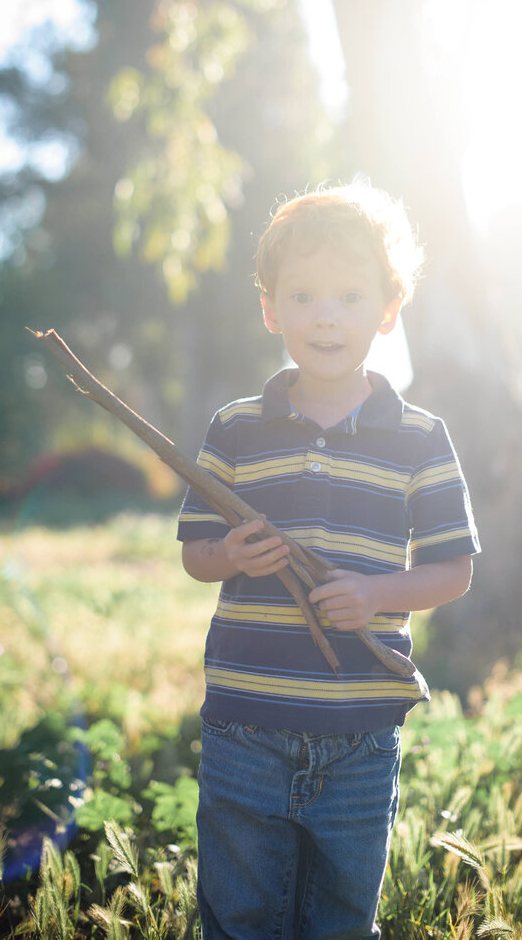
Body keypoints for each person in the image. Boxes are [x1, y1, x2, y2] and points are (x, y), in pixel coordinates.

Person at [179, 183, 480, 940]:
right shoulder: (237, 429)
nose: (325, 315)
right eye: (303, 295)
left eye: (350, 296)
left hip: (360, 732)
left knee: (342, 916)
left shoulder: (419, 436)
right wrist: (229, 551)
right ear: (270, 309)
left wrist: (378, 593)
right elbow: (195, 554)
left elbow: (454, 569)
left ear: (388, 309)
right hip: (245, 725)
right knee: (240, 911)